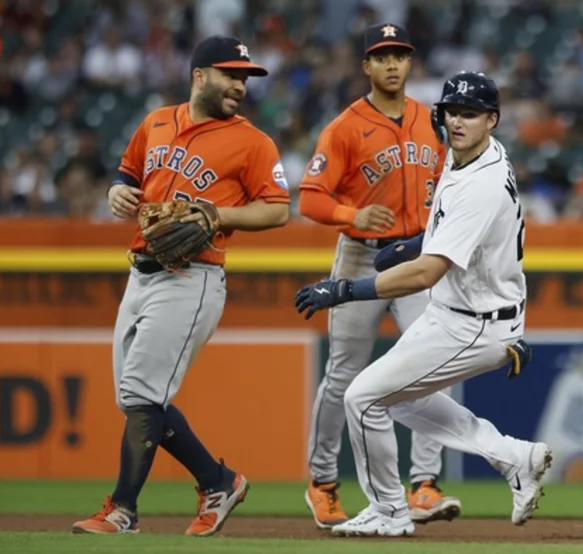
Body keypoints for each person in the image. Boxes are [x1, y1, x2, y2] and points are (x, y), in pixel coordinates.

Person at [295, 71, 551, 537]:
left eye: (470, 114)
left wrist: (344, 289)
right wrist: (418, 241)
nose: (458, 121)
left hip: (474, 322)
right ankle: (517, 458)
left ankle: (391, 510)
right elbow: (453, 234)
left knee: (362, 397)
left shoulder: (482, 182)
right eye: (452, 111)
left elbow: (427, 273)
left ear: (492, 119)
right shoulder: (474, 156)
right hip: (464, 311)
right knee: (402, 403)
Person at [72, 35, 290, 536]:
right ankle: (219, 481)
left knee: (142, 393)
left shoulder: (254, 142)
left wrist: (218, 215)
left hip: (193, 276)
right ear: (199, 75)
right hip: (141, 272)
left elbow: (278, 210)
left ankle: (123, 509)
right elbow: (126, 174)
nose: (239, 84)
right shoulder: (156, 122)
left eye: (245, 77)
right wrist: (117, 192)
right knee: (135, 400)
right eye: (230, 74)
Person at [298, 22, 460, 530]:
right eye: (382, 56)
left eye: (400, 55)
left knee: (434, 365)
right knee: (343, 374)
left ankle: (425, 485)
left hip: (416, 258)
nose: (392, 64)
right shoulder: (345, 126)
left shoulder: (430, 120)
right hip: (361, 256)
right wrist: (352, 216)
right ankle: (322, 482)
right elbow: (310, 198)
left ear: (410, 63)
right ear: (365, 66)